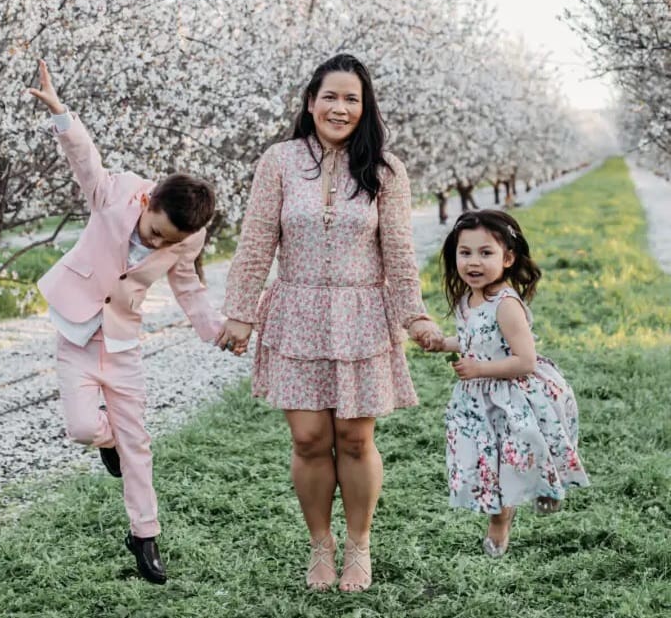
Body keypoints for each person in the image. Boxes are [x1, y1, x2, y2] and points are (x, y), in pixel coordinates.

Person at [215, 53, 443, 592]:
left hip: (362, 314)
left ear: (365, 109)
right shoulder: (279, 161)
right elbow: (255, 243)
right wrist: (241, 313)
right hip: (297, 312)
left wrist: (414, 316)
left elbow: (399, 253)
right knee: (310, 439)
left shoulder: (385, 170)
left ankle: (359, 545)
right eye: (331, 97)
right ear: (311, 102)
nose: (340, 108)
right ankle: (321, 544)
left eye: (352, 99)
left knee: (356, 438)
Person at [29, 60, 223, 584]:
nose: (158, 244)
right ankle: (107, 444)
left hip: (122, 343)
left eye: (169, 241)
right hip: (76, 333)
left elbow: (189, 288)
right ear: (150, 199)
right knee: (83, 428)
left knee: (139, 443)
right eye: (156, 232)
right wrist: (61, 114)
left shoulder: (187, 238)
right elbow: (84, 160)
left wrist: (216, 330)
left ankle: (145, 535)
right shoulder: (116, 192)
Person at [434, 209, 589, 557]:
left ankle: (508, 517)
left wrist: (478, 370)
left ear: (507, 258)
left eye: (485, 253)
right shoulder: (468, 299)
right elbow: (476, 337)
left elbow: (525, 360)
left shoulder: (506, 305)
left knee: (516, 459)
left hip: (513, 395)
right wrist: (445, 343)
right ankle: (508, 509)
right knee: (486, 462)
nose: (473, 262)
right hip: (478, 403)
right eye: (465, 252)